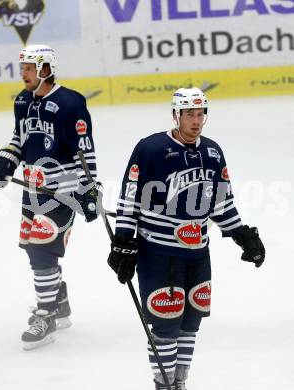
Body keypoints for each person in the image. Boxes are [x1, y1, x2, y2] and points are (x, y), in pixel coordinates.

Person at [107, 87, 265, 390]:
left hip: (197, 253)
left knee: (191, 323)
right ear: (176, 115)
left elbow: (220, 203)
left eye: (200, 114)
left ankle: (178, 384)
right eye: (189, 114)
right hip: (159, 253)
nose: (196, 121)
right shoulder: (150, 149)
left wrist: (242, 234)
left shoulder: (213, 152)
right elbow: (129, 200)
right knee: (166, 325)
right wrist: (123, 243)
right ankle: (163, 385)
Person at [0, 44, 101, 350]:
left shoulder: (70, 103)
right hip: (33, 190)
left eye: (28, 68)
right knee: (33, 249)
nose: (22, 73)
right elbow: (18, 140)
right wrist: (5, 160)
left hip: (61, 190)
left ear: (45, 70)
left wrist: (89, 188)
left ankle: (46, 314)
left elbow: (83, 151)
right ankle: (58, 300)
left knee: (41, 251)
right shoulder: (22, 101)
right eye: (22, 68)